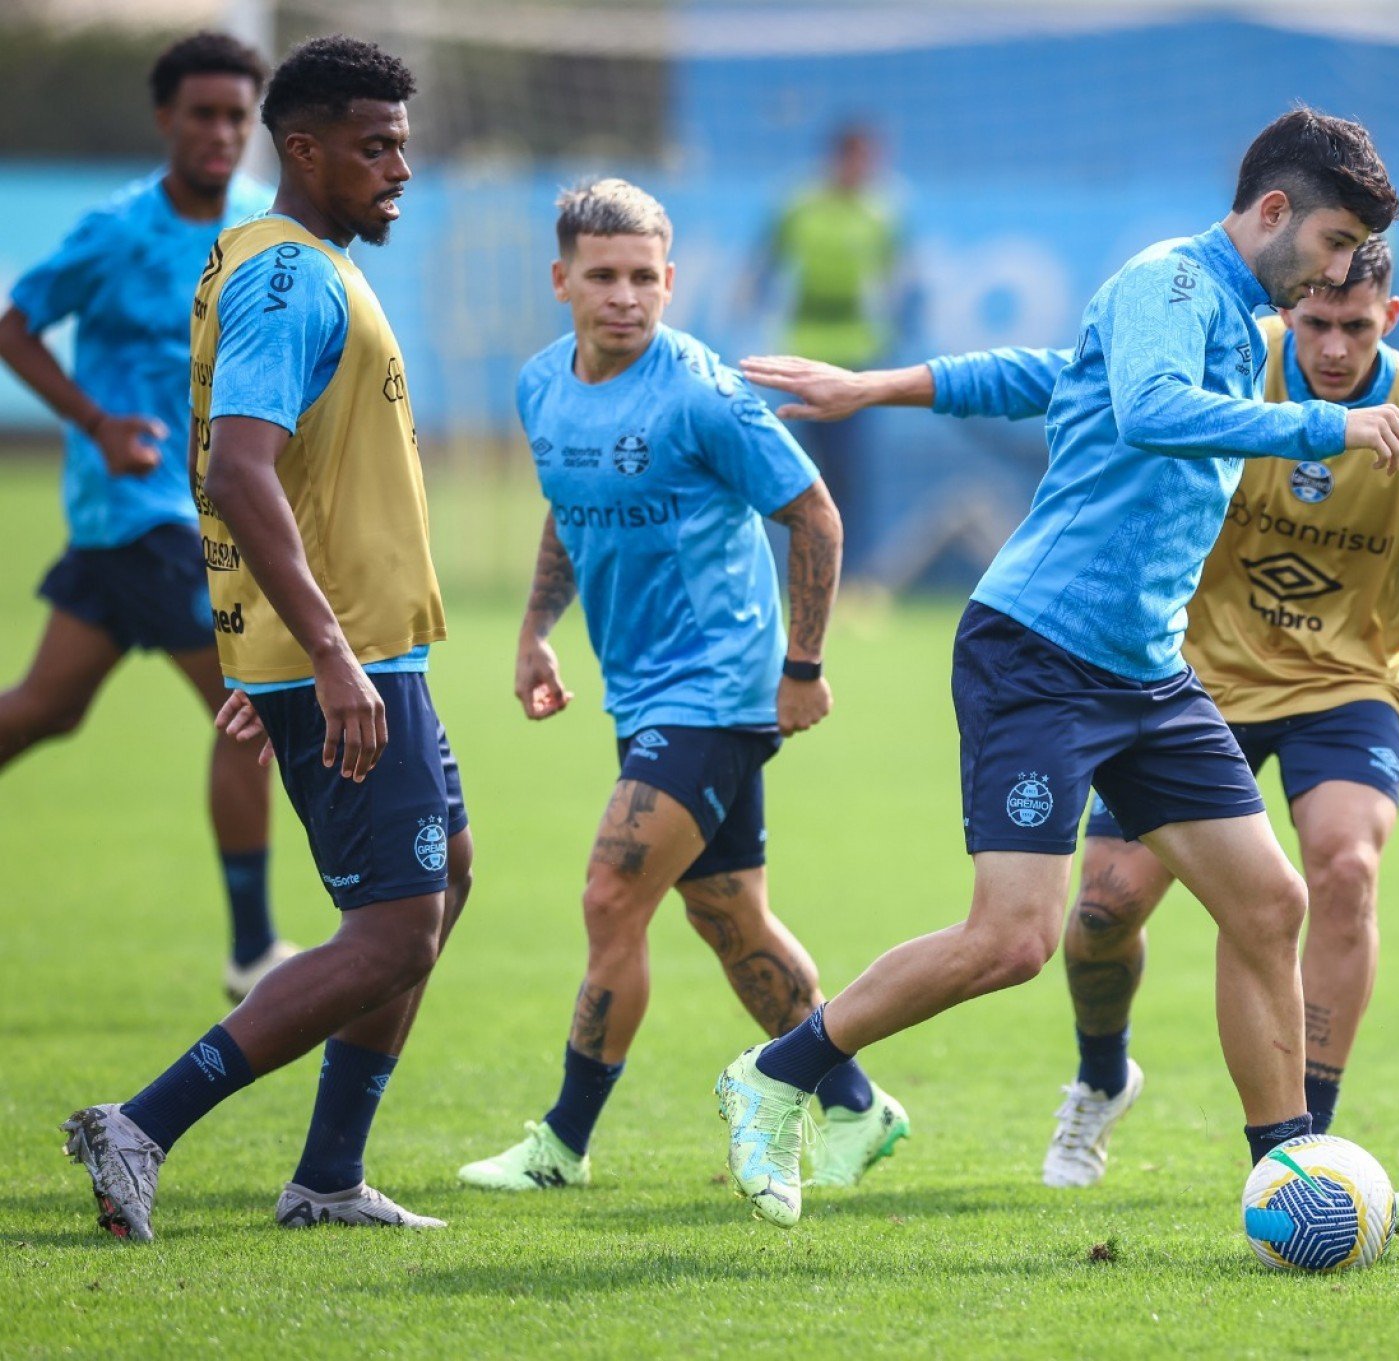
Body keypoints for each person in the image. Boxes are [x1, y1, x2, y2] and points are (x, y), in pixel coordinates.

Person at [719, 107, 1399, 1232]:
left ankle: (1291, 1170)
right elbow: (1146, 411)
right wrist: (1323, 429)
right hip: (1039, 651)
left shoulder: (1238, 316)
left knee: (1269, 898)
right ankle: (781, 1071)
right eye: (1338, 241)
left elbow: (1050, 372)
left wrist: (877, 385)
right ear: (1275, 211)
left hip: (1145, 669)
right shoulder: (1174, 282)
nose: (1342, 269)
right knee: (1012, 940)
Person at [61, 36, 470, 1242]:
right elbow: (238, 472)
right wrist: (325, 657)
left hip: (360, 656)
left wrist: (276, 657)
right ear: (303, 149)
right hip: (349, 661)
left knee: (440, 882)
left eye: (402, 141)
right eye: (373, 145)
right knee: (397, 924)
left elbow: (260, 471)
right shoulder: (290, 279)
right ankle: (141, 1124)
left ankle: (330, 1176)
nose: (399, 166)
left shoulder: (285, 260)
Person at [456, 180, 908, 1196]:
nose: (626, 295)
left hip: (718, 686)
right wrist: (535, 629)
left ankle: (562, 1144)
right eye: (604, 275)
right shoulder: (541, 386)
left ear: (672, 278)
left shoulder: (702, 391)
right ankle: (858, 1105)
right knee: (728, 915)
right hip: (644, 690)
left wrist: (803, 669)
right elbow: (569, 507)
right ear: (562, 279)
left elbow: (816, 513)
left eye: (645, 276)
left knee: (612, 892)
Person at [0, 31, 293, 1000]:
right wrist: (95, 421)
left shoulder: (258, 228)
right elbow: (14, 322)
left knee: (46, 708)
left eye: (235, 116)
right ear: (165, 118)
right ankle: (254, 947)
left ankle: (252, 943)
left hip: (196, 514)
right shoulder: (116, 230)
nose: (219, 132)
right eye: (202, 114)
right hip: (141, 508)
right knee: (248, 703)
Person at [746, 123, 906, 579]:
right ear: (837, 158)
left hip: (856, 358)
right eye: (857, 157)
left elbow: (899, 276)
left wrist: (896, 325)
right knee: (799, 471)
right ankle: (799, 569)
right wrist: (748, 300)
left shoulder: (882, 211)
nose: (865, 168)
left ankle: (852, 577)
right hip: (804, 356)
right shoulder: (798, 205)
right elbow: (765, 262)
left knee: (852, 472)